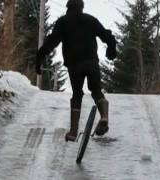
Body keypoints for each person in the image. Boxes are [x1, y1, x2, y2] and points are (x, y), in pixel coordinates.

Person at [36, 0, 117, 142]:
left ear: (68, 7)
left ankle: (73, 133)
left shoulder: (63, 22)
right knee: (97, 91)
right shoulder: (90, 20)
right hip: (91, 62)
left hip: (74, 65)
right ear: (82, 7)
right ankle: (104, 117)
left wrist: (39, 58)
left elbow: (51, 42)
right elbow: (106, 35)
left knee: (77, 95)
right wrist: (112, 49)